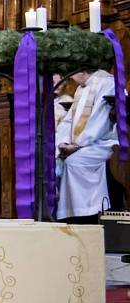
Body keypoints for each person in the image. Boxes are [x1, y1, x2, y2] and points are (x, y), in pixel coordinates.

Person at [56, 69, 117, 223]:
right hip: (86, 143)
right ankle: (71, 214)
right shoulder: (81, 88)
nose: (69, 77)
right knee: (58, 161)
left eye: (71, 72)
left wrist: (77, 145)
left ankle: (87, 214)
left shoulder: (107, 82)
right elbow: (68, 120)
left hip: (104, 142)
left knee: (74, 162)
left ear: (82, 70)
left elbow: (100, 121)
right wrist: (63, 142)